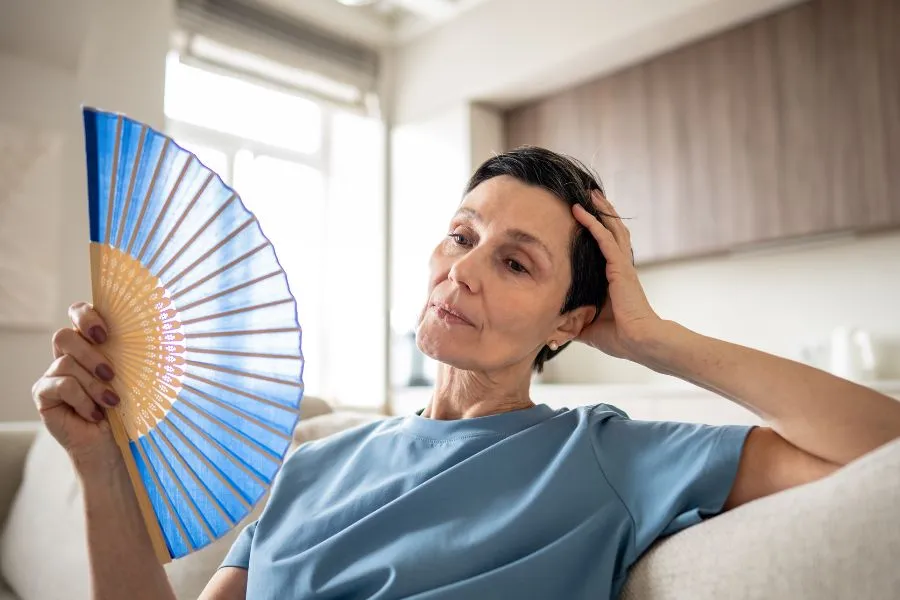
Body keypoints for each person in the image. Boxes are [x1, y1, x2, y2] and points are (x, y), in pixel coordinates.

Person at [32, 147, 900, 600]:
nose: (465, 269)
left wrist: (654, 341)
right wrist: (99, 461)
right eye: (461, 234)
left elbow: (882, 455)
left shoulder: (606, 457)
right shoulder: (306, 467)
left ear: (571, 321)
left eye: (516, 263)